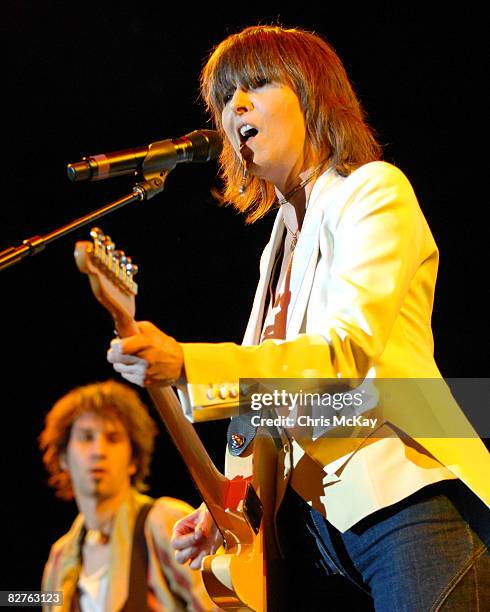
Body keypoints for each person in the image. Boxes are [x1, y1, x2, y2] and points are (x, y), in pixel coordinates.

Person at [107, 25, 490, 610]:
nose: (234, 107)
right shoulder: (277, 247)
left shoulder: (373, 192)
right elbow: (271, 403)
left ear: (315, 95)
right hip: (313, 529)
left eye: (256, 85)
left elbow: (344, 358)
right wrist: (234, 506)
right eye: (224, 97)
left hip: (404, 501)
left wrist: (189, 362)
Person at [40, 379, 217, 611]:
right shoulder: (60, 558)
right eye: (86, 437)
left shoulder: (163, 522)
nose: (98, 451)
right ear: (63, 457)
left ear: (133, 459)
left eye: (113, 438)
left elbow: (219, 605)